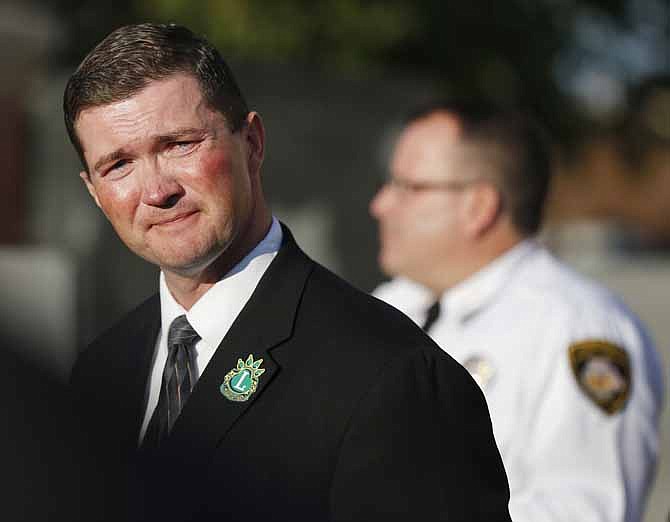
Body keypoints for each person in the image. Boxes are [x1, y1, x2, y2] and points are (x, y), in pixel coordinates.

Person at [64, 24, 511, 521]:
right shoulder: (96, 377)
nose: (156, 190)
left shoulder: (392, 378)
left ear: (252, 142)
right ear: (93, 190)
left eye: (179, 145)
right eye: (118, 165)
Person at [370, 101, 665, 522]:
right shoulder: (394, 304)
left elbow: (584, 512)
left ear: (479, 206)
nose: (380, 205)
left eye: (408, 187)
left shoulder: (578, 329)